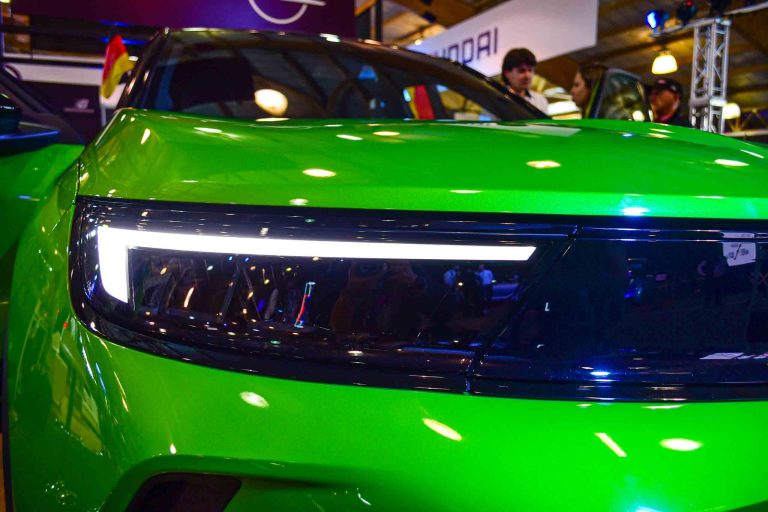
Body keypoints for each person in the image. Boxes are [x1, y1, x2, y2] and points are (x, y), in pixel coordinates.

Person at [501, 48, 548, 112]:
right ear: (507, 73)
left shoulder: (540, 100)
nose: (527, 76)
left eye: (530, 70)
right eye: (521, 71)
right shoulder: (498, 98)